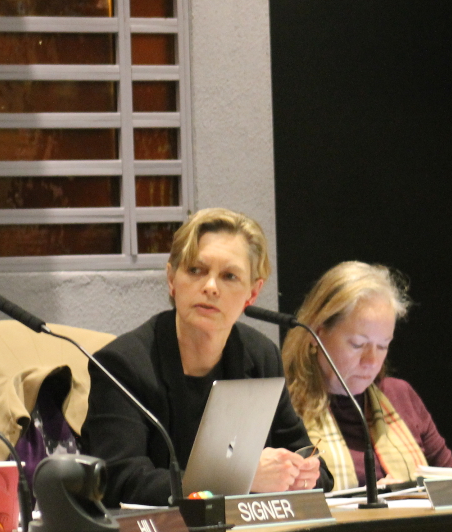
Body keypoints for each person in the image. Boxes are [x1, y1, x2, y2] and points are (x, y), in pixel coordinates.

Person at [81, 208, 331, 506]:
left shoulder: (260, 357)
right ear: (172, 279)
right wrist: (240, 477)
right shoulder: (122, 365)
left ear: (252, 293)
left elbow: (312, 463)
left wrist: (303, 473)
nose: (210, 287)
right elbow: (119, 482)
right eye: (196, 270)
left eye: (229, 276)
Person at [281, 262, 452, 489]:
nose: (371, 361)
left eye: (383, 346)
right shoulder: (283, 407)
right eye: (358, 344)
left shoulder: (400, 395)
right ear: (317, 333)